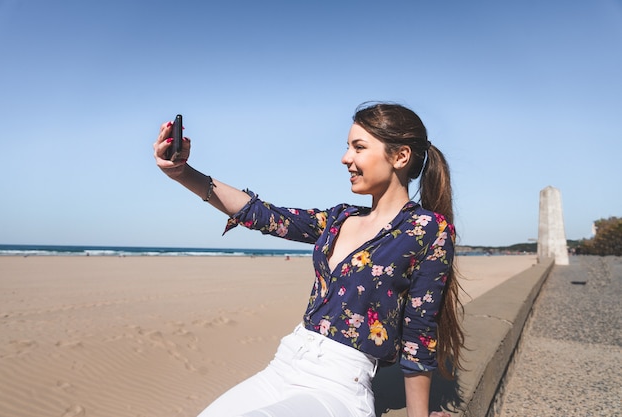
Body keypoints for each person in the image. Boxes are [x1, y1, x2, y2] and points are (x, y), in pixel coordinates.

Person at [153, 102, 464, 417]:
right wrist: (182, 172)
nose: (346, 158)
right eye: (347, 148)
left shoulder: (428, 229)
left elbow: (418, 331)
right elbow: (263, 215)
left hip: (337, 386)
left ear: (400, 156)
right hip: (282, 366)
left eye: (358, 147)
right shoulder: (340, 217)